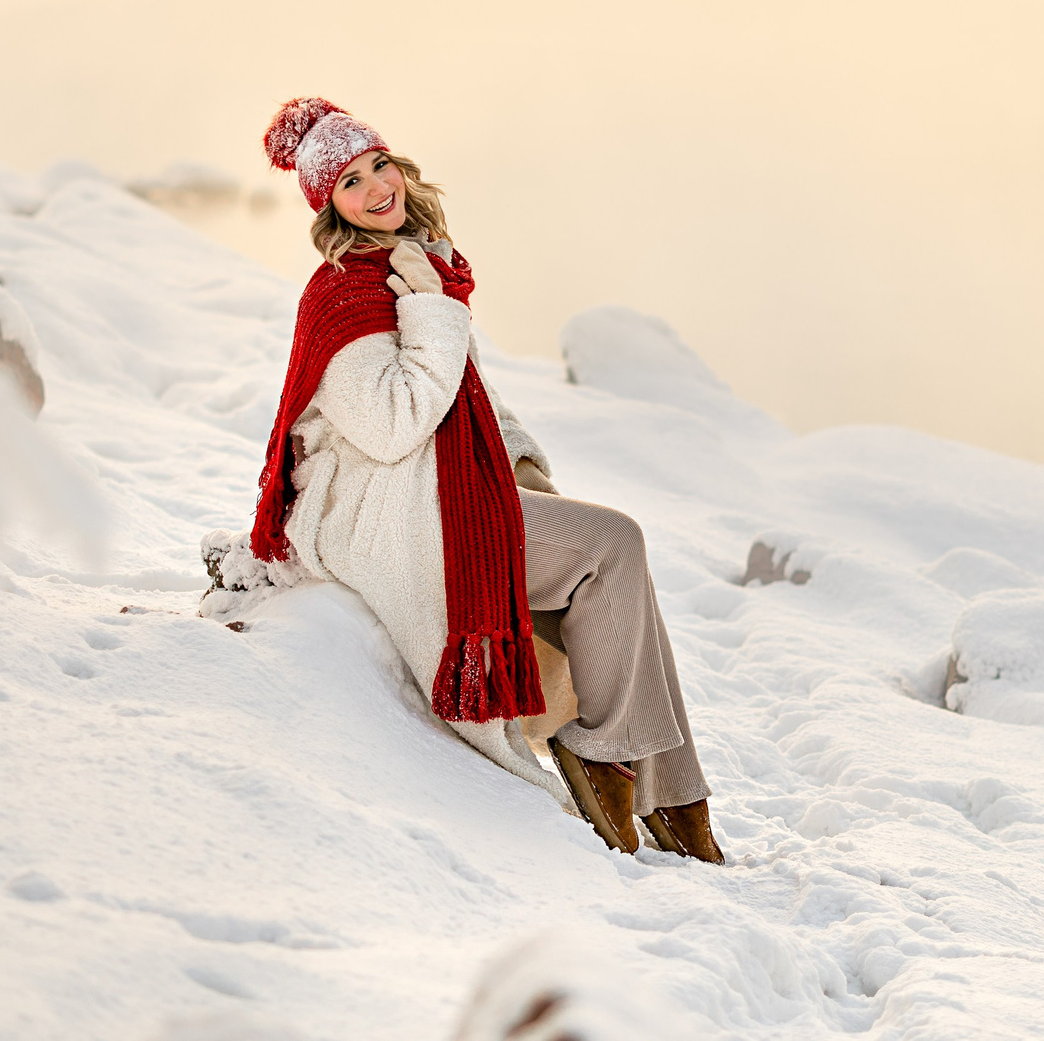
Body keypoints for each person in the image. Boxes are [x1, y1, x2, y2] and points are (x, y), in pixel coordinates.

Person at [247, 96, 722, 863]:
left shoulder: (408, 265)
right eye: (350, 183)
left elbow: (469, 397)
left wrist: (523, 465)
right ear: (327, 206)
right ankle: (612, 758)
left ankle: (669, 788)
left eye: (379, 165)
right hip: (386, 512)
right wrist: (432, 309)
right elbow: (396, 420)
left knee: (611, 559)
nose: (377, 188)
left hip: (433, 485)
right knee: (616, 545)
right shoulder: (344, 293)